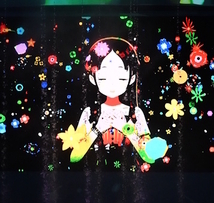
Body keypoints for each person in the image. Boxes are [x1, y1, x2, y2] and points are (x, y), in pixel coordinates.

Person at [59, 36, 166, 165]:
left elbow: (149, 158)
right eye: (103, 78)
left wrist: (128, 131)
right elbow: (74, 157)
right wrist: (97, 129)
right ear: (93, 79)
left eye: (121, 78)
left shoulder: (135, 113)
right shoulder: (89, 113)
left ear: (131, 78)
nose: (112, 84)